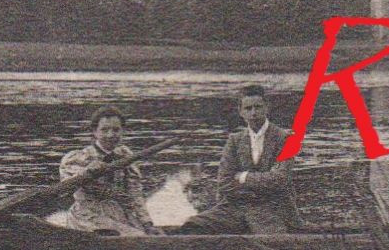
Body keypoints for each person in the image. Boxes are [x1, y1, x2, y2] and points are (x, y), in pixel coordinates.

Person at [179, 85, 301, 234]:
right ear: (241, 112)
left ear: (267, 108)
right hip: (235, 208)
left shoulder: (284, 138)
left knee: (269, 242)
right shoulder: (235, 140)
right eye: (248, 109)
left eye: (258, 107)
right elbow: (224, 182)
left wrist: (243, 177)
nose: (254, 113)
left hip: (272, 210)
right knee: (193, 225)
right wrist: (253, 188)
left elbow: (280, 179)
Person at [59, 106, 160, 235]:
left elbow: (134, 194)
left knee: (150, 235)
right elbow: (66, 188)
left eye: (116, 130)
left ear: (122, 131)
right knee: (138, 238)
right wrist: (87, 172)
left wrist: (147, 223)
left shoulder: (126, 156)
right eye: (104, 130)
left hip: (119, 214)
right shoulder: (77, 158)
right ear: (95, 132)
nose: (110, 135)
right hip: (88, 217)